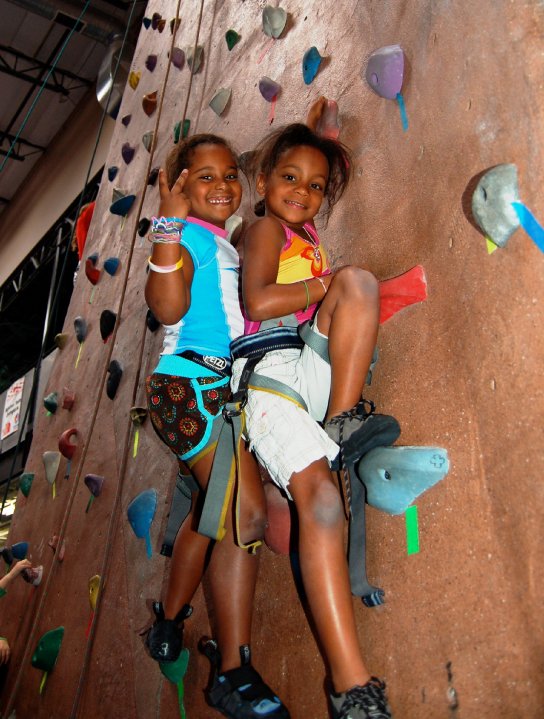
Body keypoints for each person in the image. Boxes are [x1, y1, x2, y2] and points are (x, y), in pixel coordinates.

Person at [231, 122, 398, 718]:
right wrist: (320, 286)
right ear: (263, 182)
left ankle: (344, 418)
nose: (303, 191)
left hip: (306, 361)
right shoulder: (264, 229)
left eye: (316, 184)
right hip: (268, 372)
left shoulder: (305, 238)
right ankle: (352, 687)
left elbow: (331, 292)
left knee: (357, 283)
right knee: (322, 502)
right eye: (289, 177)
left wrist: (329, 286)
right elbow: (257, 301)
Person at [144, 134, 289, 719]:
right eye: (205, 175)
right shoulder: (184, 238)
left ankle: (169, 619)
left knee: (212, 514)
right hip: (190, 388)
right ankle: (232, 671)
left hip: (214, 392)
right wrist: (166, 225)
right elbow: (167, 307)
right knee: (243, 515)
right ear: (180, 186)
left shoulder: (219, 241)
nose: (223, 184)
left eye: (230, 173)